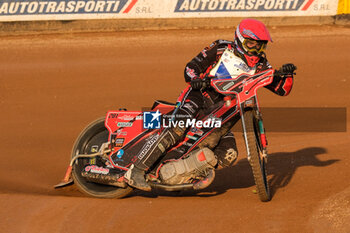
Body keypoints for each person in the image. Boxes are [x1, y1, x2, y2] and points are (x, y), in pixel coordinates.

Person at [124, 18, 296, 191]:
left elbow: (281, 89)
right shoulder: (221, 48)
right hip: (199, 97)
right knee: (178, 127)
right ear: (239, 39)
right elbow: (191, 68)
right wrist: (197, 80)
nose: (256, 50)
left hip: (222, 114)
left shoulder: (261, 65)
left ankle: (180, 174)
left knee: (228, 155)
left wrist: (287, 75)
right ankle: (136, 170)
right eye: (251, 44)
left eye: (260, 45)